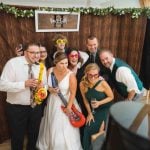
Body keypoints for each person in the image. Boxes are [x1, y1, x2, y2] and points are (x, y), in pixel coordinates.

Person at [0, 43, 47, 150]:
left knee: (33, 134)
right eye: (33, 53)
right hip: (16, 108)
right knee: (17, 136)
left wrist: (42, 87)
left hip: (36, 106)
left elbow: (45, 85)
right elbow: (2, 85)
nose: (36, 55)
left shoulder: (41, 67)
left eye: (38, 52)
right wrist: (23, 84)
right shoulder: (12, 63)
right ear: (25, 53)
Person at [36, 52, 83, 150]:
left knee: (64, 127)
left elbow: (73, 93)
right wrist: (50, 89)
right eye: (62, 63)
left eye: (66, 63)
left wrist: (69, 107)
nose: (65, 66)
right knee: (52, 124)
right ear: (55, 62)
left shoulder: (71, 75)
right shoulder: (50, 71)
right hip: (53, 102)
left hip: (66, 102)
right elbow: (45, 85)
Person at [79, 63, 114, 150]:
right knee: (87, 129)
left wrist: (99, 103)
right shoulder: (82, 84)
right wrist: (89, 113)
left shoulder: (103, 83)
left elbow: (111, 97)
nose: (93, 77)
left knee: (99, 130)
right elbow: (85, 100)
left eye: (96, 75)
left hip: (105, 109)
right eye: (90, 75)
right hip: (94, 111)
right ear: (86, 73)